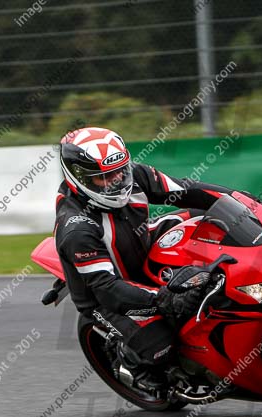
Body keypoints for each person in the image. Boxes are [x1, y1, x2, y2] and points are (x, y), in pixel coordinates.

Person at [54, 126, 235, 391]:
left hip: (142, 243)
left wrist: (240, 200)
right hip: (108, 295)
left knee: (208, 218)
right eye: (104, 177)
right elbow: (107, 290)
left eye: (120, 171)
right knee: (162, 346)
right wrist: (165, 299)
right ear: (79, 178)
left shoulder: (132, 174)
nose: (117, 180)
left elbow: (185, 190)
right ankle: (131, 361)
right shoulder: (77, 229)